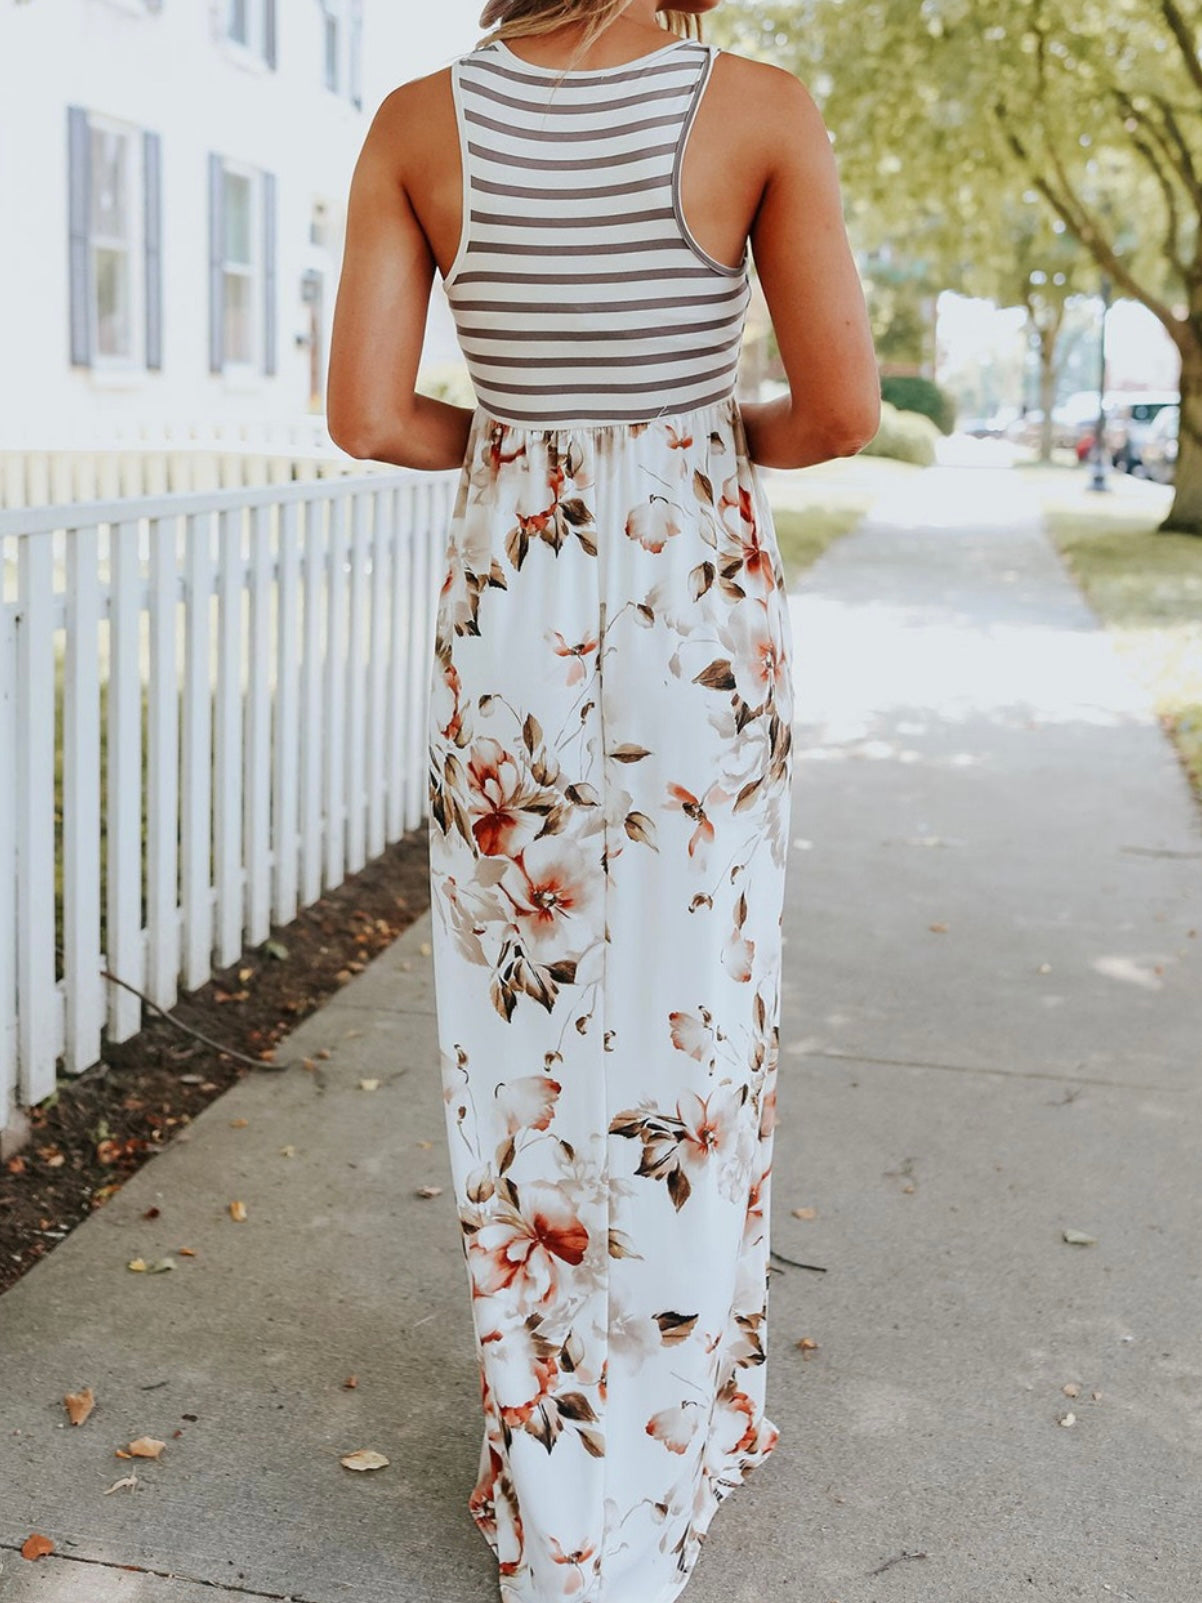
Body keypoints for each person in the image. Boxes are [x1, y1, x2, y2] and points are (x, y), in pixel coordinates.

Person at [326, 2, 878, 1599]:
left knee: (525, 1030)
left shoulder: (418, 122)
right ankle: (676, 1431)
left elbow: (371, 415)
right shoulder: (754, 107)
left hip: (515, 602)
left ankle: (558, 1477)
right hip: (692, 601)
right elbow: (837, 411)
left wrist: (531, 445)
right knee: (695, 1016)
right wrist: (690, 441)